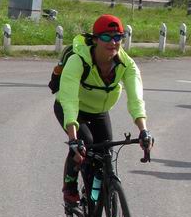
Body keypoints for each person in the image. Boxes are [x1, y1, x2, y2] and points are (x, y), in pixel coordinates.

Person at [54, 14, 152, 206]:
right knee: (85, 144)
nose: (113, 43)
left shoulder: (127, 65)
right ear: (96, 39)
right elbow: (69, 100)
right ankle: (70, 185)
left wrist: (144, 131)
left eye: (118, 38)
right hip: (72, 109)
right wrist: (74, 138)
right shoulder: (78, 60)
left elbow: (136, 100)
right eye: (106, 37)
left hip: (99, 111)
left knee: (105, 155)